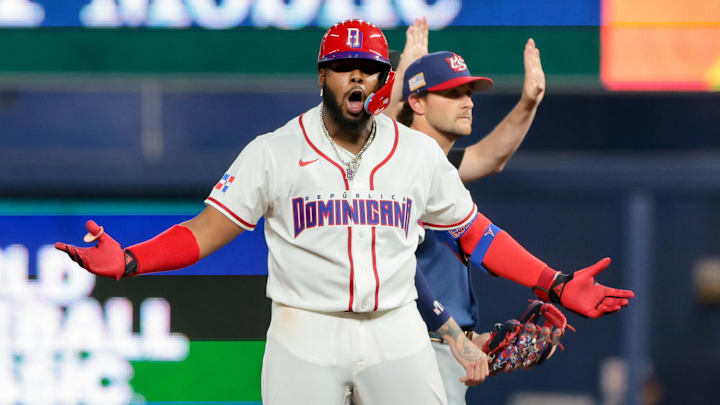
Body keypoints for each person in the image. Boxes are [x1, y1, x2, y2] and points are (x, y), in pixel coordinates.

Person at [56, 19, 633, 405]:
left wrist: (554, 283)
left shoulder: (415, 153)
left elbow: (478, 234)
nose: (358, 75)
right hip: (305, 330)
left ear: (386, 81)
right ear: (322, 74)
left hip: (396, 329)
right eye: (344, 64)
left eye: (371, 67)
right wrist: (132, 260)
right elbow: (207, 231)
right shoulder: (274, 151)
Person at [388, 18, 630, 405]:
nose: (467, 100)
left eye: (468, 91)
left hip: (444, 351)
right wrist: (400, 82)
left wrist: (528, 103)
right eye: (452, 93)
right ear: (416, 101)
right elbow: (377, 146)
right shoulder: (391, 164)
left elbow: (488, 169)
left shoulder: (440, 170)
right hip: (408, 347)